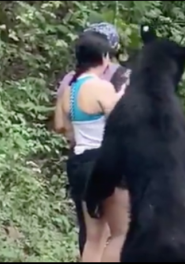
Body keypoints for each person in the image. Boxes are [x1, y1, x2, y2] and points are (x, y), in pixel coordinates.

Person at [54, 26, 129, 262]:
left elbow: (61, 126)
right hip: (105, 163)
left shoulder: (70, 90)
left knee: (93, 237)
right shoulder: (102, 87)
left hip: (79, 162)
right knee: (121, 234)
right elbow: (121, 122)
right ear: (105, 57)